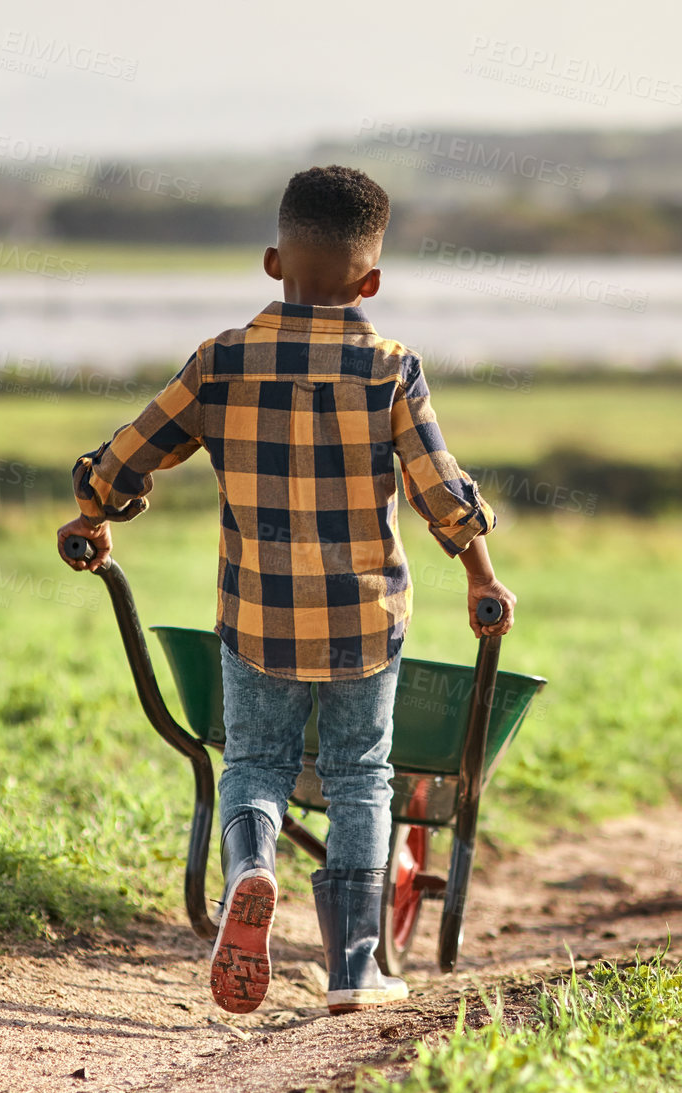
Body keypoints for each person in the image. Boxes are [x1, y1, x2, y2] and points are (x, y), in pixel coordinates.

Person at [58, 165, 514, 1015]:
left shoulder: (220, 361)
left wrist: (94, 511)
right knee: (359, 773)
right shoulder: (388, 368)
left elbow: (125, 457)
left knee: (257, 762)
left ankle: (253, 869)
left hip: (256, 614)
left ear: (274, 261)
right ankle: (354, 965)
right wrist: (481, 575)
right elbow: (438, 487)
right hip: (364, 620)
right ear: (371, 280)